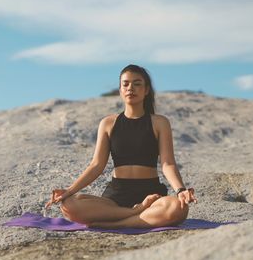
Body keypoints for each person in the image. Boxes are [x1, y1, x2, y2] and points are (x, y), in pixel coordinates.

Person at [45, 64, 198, 229]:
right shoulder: (108, 123)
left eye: (137, 84)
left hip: (151, 194)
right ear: (120, 90)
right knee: (69, 205)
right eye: (125, 84)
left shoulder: (159, 122)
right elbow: (96, 165)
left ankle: (115, 223)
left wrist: (180, 190)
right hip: (115, 196)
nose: (130, 88)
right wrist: (69, 191)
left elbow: (168, 164)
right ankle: (135, 214)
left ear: (146, 90)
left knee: (178, 208)